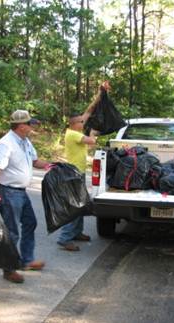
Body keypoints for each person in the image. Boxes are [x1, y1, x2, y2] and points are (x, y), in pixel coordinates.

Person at [0, 110, 51, 284]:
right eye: (29, 124)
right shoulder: (6, 144)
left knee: (30, 222)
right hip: (9, 192)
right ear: (21, 126)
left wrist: (52, 166)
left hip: (21, 192)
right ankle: (9, 269)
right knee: (12, 232)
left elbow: (35, 161)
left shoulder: (25, 141)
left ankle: (26, 260)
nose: (32, 127)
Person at [57, 81, 111, 251]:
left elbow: (88, 111)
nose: (84, 122)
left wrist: (100, 94)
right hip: (72, 174)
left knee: (80, 204)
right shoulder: (72, 134)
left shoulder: (76, 129)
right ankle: (65, 238)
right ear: (74, 124)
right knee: (75, 206)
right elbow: (91, 141)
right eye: (81, 122)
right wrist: (94, 133)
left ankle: (76, 233)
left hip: (78, 173)